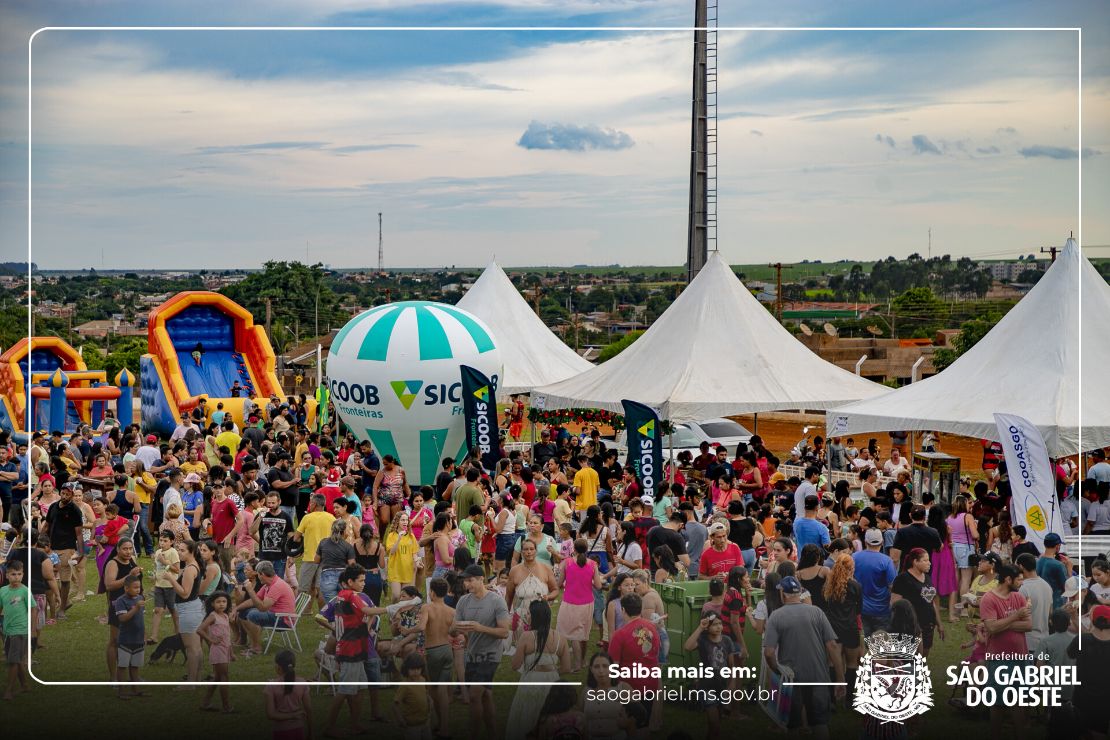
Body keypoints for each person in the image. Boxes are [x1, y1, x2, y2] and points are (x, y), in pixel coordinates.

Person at [762, 576, 846, 740]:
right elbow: (832, 646)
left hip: (791, 679)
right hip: (818, 677)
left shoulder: (776, 616)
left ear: (783, 593)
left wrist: (777, 670)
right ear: (800, 591)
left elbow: (769, 653)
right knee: (820, 724)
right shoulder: (817, 612)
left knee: (792, 725)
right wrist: (840, 678)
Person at [451, 563, 511, 740]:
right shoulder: (463, 601)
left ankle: (475, 734)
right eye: (465, 581)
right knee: (486, 695)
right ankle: (493, 733)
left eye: (470, 581)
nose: (466, 585)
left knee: (475, 694)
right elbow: (453, 630)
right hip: (472, 654)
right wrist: (456, 630)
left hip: (491, 654)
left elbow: (504, 632)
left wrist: (479, 628)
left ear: (481, 579)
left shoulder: (496, 601)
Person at [981, 563, 1033, 740]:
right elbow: (992, 628)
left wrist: (1003, 622)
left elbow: (1028, 625)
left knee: (1018, 701)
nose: (1021, 583)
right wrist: (1015, 617)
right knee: (997, 703)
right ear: (1007, 579)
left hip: (1020, 656)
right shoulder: (988, 599)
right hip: (999, 658)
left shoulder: (1018, 597)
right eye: (1018, 579)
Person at [507, 600, 572, 740]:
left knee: (527, 716)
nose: (527, 616)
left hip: (531, 680)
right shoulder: (561, 638)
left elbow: (515, 665)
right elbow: (567, 667)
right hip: (552, 681)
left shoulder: (526, 637)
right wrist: (552, 673)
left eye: (529, 613)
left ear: (535, 616)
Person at [608, 592, 661, 734]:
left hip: (629, 687)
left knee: (627, 728)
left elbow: (613, 666)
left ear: (623, 610)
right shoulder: (652, 629)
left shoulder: (620, 635)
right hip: (650, 683)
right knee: (643, 724)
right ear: (640, 608)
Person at [415, 577, 455, 737]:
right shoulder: (452, 611)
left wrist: (406, 630)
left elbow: (421, 627)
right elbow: (455, 631)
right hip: (447, 650)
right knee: (443, 689)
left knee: (432, 689)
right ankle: (444, 726)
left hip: (432, 651)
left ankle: (434, 723)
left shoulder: (427, 608)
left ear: (431, 592)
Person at [233, 559, 296, 656]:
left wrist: (250, 590)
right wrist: (236, 609)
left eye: (258, 574)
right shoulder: (269, 584)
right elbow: (254, 600)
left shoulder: (276, 586)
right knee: (243, 613)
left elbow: (262, 607)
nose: (258, 577)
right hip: (276, 615)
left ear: (262, 574)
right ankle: (253, 644)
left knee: (253, 615)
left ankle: (256, 647)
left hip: (283, 619)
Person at [557, 539, 603, 673]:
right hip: (587, 603)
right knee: (583, 634)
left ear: (574, 549)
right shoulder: (593, 564)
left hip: (570, 602)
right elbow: (599, 585)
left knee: (571, 634)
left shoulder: (567, 562)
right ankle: (583, 661)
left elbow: (559, 583)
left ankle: (576, 664)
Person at [1067, 604, 1110, 739]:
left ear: (1092, 620)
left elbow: (1071, 653)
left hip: (1081, 699)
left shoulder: (1082, 640)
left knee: (1079, 733)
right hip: (1105, 701)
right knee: (1099, 733)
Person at [891, 548, 944, 656]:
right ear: (915, 562)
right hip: (910, 627)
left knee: (923, 658)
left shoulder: (928, 578)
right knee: (911, 660)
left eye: (928, 560)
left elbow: (931, 602)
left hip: (928, 625)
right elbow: (895, 604)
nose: (929, 563)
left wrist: (939, 623)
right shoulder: (903, 579)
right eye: (925, 560)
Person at [852, 528, 897, 635]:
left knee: (864, 645)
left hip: (860, 609)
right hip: (882, 610)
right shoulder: (886, 560)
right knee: (880, 647)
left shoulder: (854, 557)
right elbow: (893, 586)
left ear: (865, 542)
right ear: (882, 542)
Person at [0, 560, 34, 700]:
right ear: (7, 575)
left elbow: (33, 608)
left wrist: (32, 629)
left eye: (19, 574)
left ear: (23, 574)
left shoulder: (25, 590)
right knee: (15, 659)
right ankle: (25, 685)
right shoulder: (3, 591)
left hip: (20, 630)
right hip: (7, 630)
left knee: (13, 661)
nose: (16, 577)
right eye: (13, 574)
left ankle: (9, 690)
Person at [198, 591, 234, 713]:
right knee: (224, 677)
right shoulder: (213, 616)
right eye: (218, 602)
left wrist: (232, 652)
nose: (221, 604)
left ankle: (205, 703)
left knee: (218, 678)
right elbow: (200, 629)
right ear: (212, 604)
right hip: (218, 651)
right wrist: (211, 640)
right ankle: (226, 706)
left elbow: (228, 635)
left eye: (224, 601)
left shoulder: (225, 616)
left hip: (225, 650)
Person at [265, 650, 312, 740]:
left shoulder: (271, 686)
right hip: (299, 729)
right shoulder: (302, 683)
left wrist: (291, 716)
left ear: (278, 667)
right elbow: (309, 710)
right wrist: (310, 733)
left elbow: (270, 714)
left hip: (280, 731)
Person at [113, 574, 146, 699]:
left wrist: (144, 635)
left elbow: (141, 619)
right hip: (126, 639)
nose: (138, 589)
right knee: (122, 666)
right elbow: (122, 618)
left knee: (135, 666)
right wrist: (135, 608)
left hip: (138, 639)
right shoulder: (121, 601)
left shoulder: (140, 598)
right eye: (135, 587)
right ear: (126, 588)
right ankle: (121, 692)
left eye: (139, 587)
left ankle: (135, 690)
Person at [150, 530, 181, 642]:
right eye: (161, 540)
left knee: (173, 610)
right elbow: (157, 568)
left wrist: (165, 562)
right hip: (159, 585)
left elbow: (177, 570)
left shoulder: (173, 552)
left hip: (171, 586)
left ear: (171, 542)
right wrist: (154, 576)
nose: (162, 543)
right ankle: (153, 637)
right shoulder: (158, 552)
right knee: (158, 610)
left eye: (165, 541)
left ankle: (178, 635)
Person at [1016, 553, 1052, 649]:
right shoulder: (1047, 586)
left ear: (1021, 566)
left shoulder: (1022, 588)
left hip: (1028, 642)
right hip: (1045, 641)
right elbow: (1050, 613)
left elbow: (1018, 616)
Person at [392, 653, 432, 740]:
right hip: (411, 725)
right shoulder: (405, 685)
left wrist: (429, 701)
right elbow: (395, 704)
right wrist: (400, 719)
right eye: (412, 669)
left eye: (418, 669)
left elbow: (425, 694)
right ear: (406, 669)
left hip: (425, 722)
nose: (416, 672)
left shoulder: (423, 680)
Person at [889, 505, 941, 571]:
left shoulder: (902, 532)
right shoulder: (933, 532)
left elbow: (895, 558)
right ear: (924, 517)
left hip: (907, 571)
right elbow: (939, 548)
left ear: (910, 515)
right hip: (925, 571)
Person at [1036, 532, 1069, 608]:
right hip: (1056, 603)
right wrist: (1069, 569)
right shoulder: (1058, 565)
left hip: (1041, 603)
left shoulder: (1037, 562)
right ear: (1057, 546)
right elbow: (1067, 587)